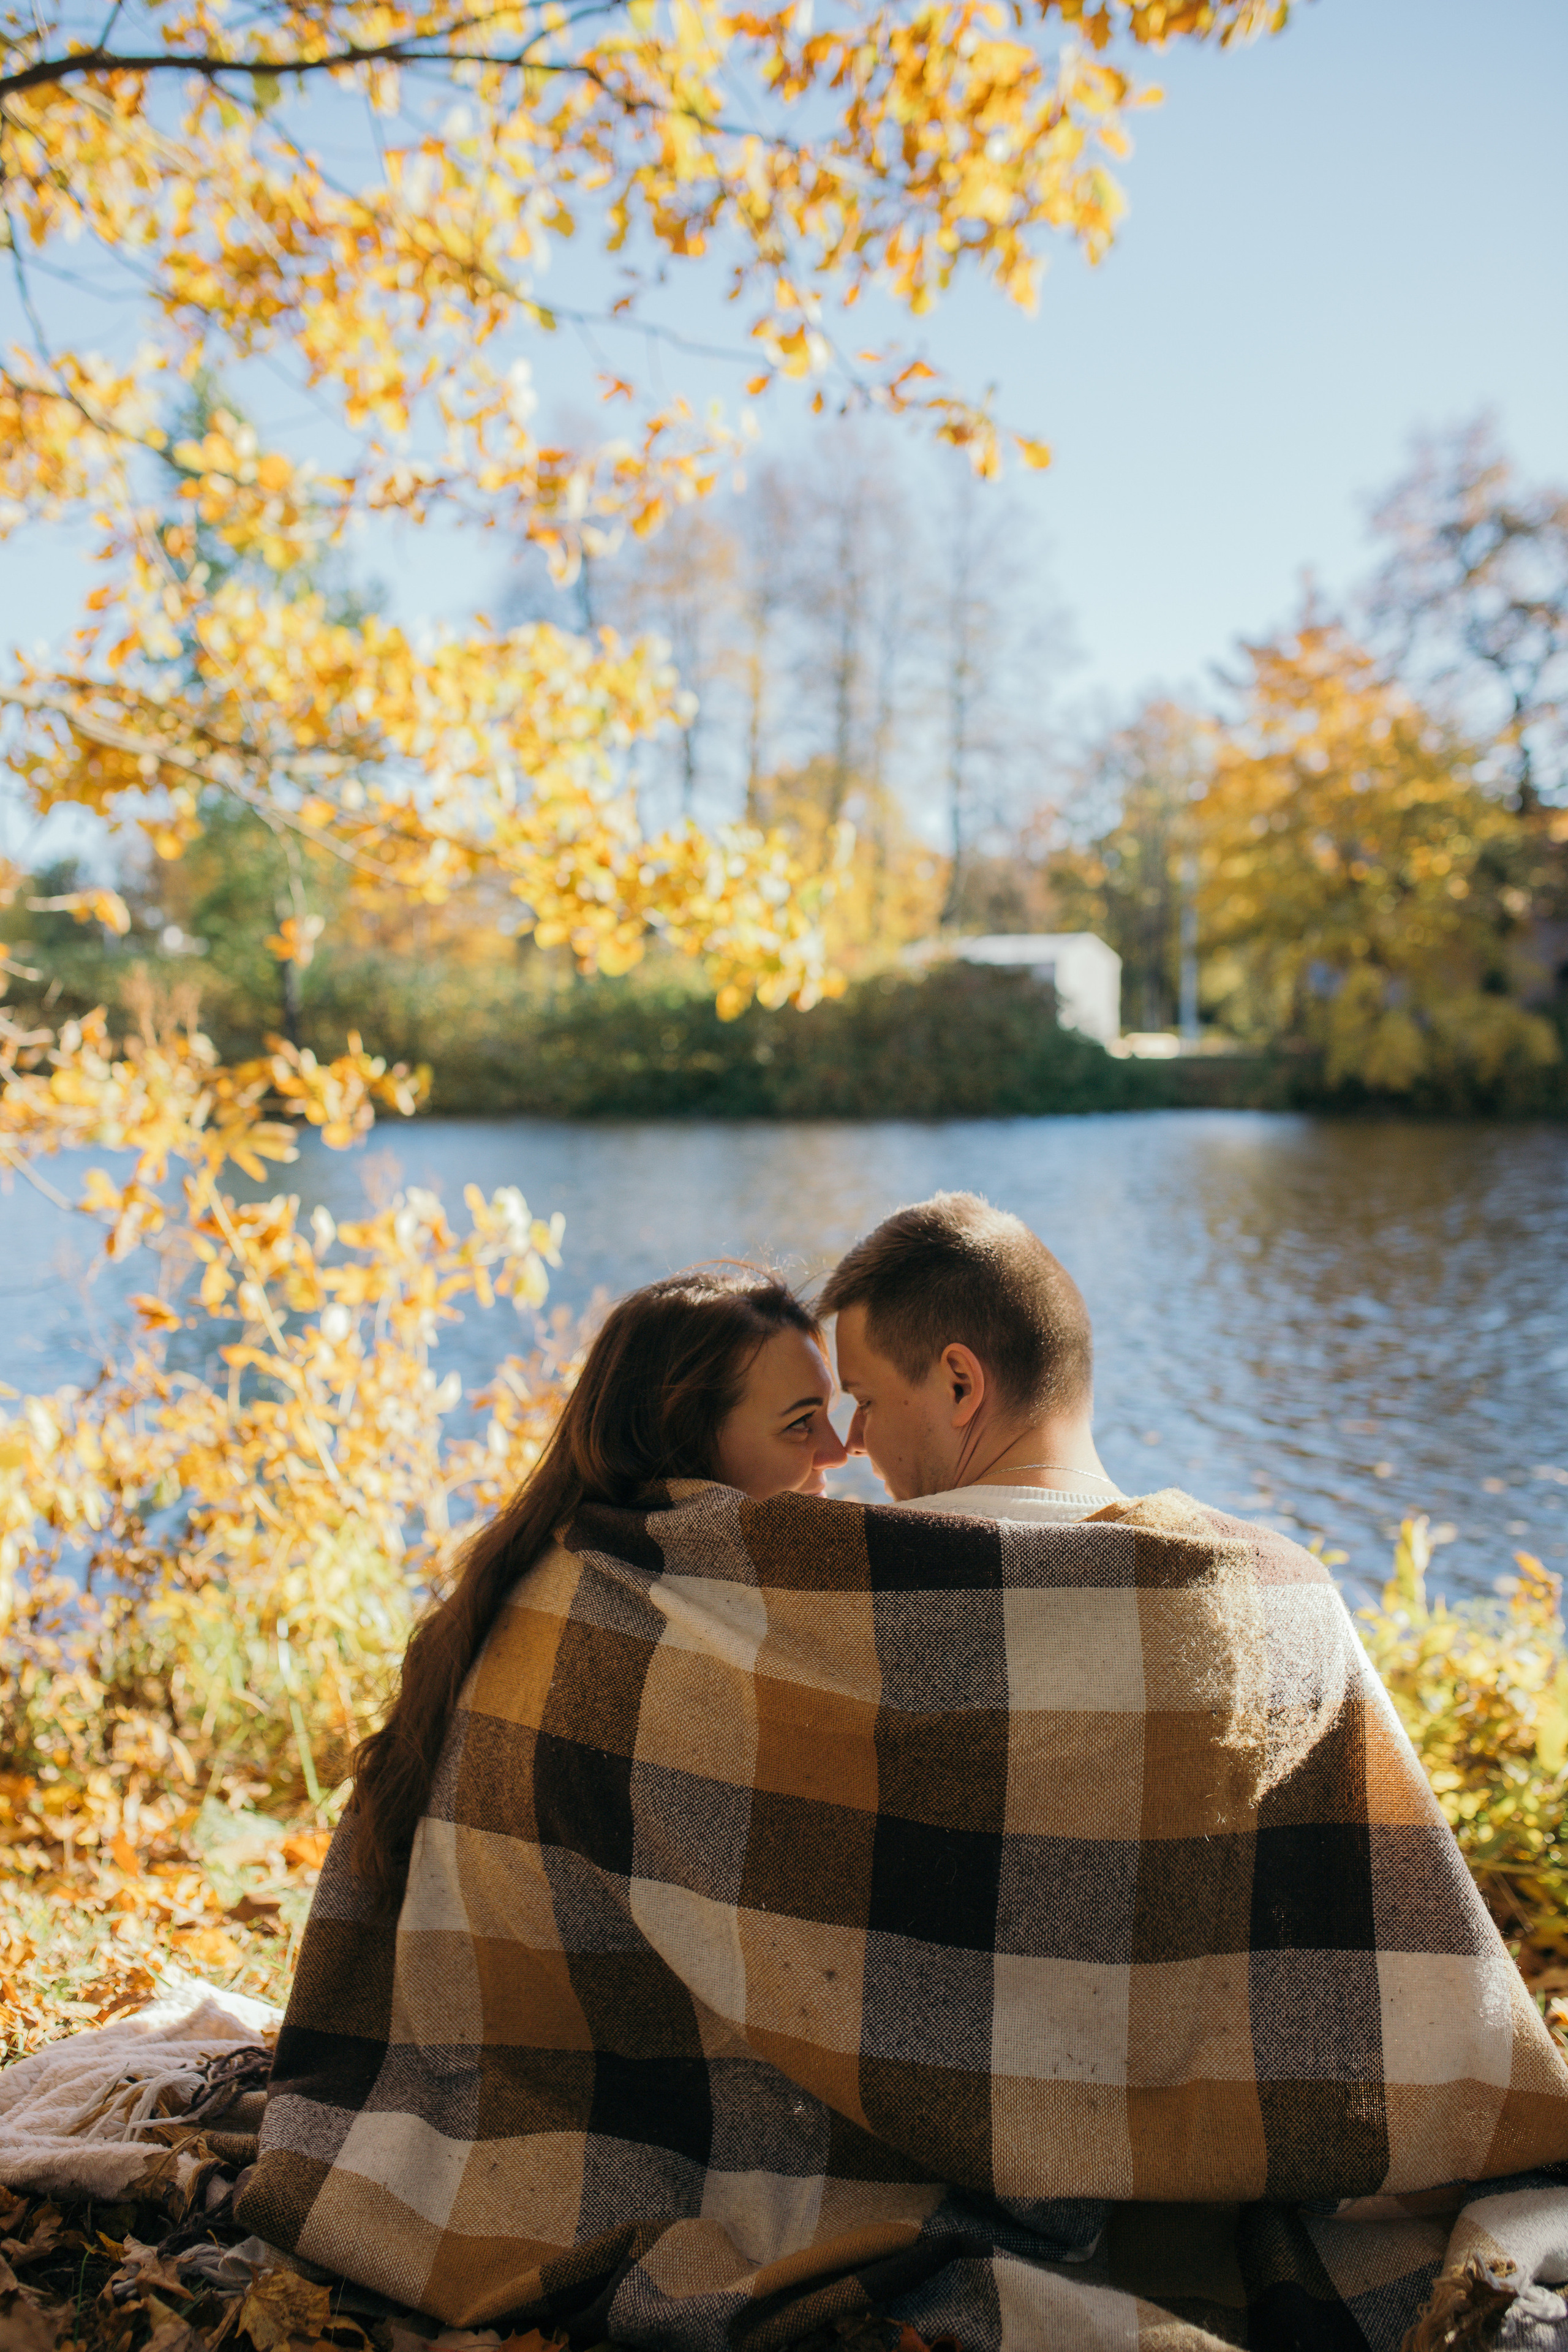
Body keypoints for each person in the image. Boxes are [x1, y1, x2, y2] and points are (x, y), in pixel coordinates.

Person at [349, 1264, 845, 1904]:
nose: (837, 1450)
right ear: (685, 1442)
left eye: (831, 1413)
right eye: (802, 1423)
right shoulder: (630, 1629)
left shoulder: (547, 1564)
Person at [820, 1188, 1124, 1521]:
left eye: (865, 1402)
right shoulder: (1184, 1550)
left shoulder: (870, 1558)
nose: (852, 1443)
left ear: (960, 1386)